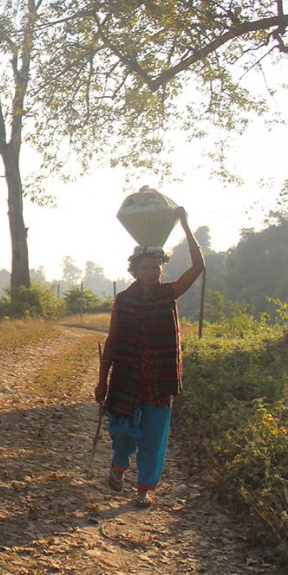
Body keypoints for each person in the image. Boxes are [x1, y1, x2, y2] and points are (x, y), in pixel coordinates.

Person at [94, 207, 205, 507]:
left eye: (156, 267)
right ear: (134, 269)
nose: (151, 271)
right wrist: (102, 381)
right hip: (126, 377)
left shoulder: (169, 293)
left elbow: (198, 266)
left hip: (159, 379)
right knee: (123, 432)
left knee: (154, 437)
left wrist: (185, 224)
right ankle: (119, 465)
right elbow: (114, 339)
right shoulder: (124, 300)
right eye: (145, 267)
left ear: (161, 270)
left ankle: (143, 490)